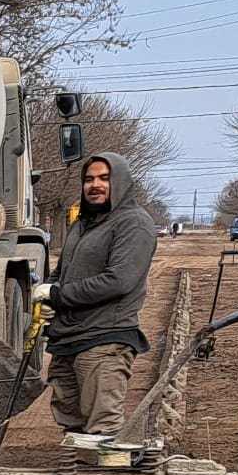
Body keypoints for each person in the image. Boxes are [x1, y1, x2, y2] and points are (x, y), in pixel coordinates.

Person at [36, 151, 158, 444]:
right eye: (89, 179)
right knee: (71, 421)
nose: (96, 185)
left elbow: (119, 281)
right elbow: (62, 272)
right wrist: (50, 296)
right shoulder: (82, 224)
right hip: (69, 338)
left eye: (104, 178)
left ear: (121, 181)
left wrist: (59, 294)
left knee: (101, 427)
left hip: (104, 339)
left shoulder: (134, 224)